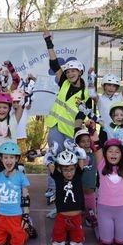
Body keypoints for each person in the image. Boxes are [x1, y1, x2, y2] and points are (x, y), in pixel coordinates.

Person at [42, 30, 97, 204]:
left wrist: (75, 132)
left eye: (74, 71)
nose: (70, 73)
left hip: (71, 131)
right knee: (53, 155)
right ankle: (53, 187)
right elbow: (53, 63)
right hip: (55, 126)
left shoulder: (86, 93)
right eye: (69, 71)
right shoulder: (64, 82)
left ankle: (72, 187)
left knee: (72, 159)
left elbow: (81, 114)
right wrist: (48, 42)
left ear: (79, 72)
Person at [45, 146, 89, 245]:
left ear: (75, 167)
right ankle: (61, 238)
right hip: (61, 217)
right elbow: (48, 161)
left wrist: (75, 148)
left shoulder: (77, 176)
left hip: (76, 218)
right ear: (60, 169)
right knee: (58, 244)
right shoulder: (58, 177)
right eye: (65, 170)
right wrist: (52, 152)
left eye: (71, 169)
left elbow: (82, 158)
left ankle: (73, 237)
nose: (69, 173)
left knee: (76, 244)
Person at [94, 138, 123, 245]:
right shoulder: (101, 165)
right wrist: (92, 130)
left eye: (117, 152)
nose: (113, 154)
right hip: (104, 208)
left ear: (122, 154)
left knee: (121, 242)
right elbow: (96, 146)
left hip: (122, 209)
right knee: (106, 243)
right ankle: (96, 226)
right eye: (110, 151)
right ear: (105, 154)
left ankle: (105, 228)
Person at [0, 141, 32, 245]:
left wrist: (25, 216)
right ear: (1, 159)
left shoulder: (21, 177)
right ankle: (10, 233)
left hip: (16, 216)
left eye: (12, 158)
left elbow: (26, 199)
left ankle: (26, 231)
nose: (9, 161)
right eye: (5, 157)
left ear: (17, 159)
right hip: (1, 216)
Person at [74, 126, 99, 228]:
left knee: (90, 205)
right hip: (78, 186)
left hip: (90, 187)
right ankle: (76, 217)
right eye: (83, 141)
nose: (86, 143)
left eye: (88, 141)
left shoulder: (95, 154)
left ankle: (90, 216)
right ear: (78, 143)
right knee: (78, 205)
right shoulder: (75, 155)